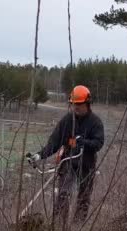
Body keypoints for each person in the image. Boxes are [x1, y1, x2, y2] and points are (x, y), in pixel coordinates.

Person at [26, 85, 104, 221]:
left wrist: (83, 143)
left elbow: (99, 143)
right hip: (68, 162)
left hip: (87, 164)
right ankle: (58, 226)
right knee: (63, 194)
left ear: (87, 103)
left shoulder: (95, 122)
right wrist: (39, 155)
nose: (76, 107)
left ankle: (77, 228)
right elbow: (54, 143)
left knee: (84, 198)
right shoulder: (67, 121)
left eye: (79, 104)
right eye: (73, 104)